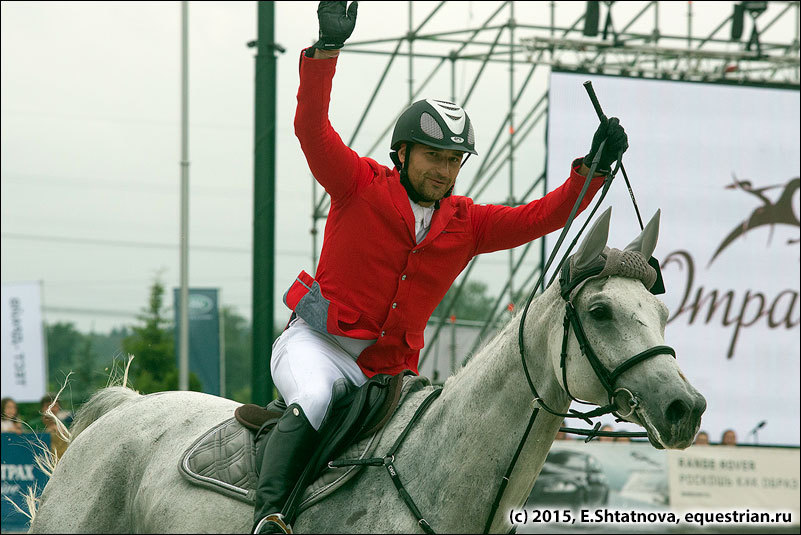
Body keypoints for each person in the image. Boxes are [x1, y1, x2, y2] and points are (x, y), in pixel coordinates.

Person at [252, 2, 628, 533]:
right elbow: (311, 130)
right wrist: (326, 51)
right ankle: (267, 517)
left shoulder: (467, 223)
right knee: (313, 397)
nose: (444, 170)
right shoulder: (357, 184)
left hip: (390, 374)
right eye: (434, 156)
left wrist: (594, 169)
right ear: (401, 153)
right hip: (318, 347)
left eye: (454, 160)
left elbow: (543, 217)